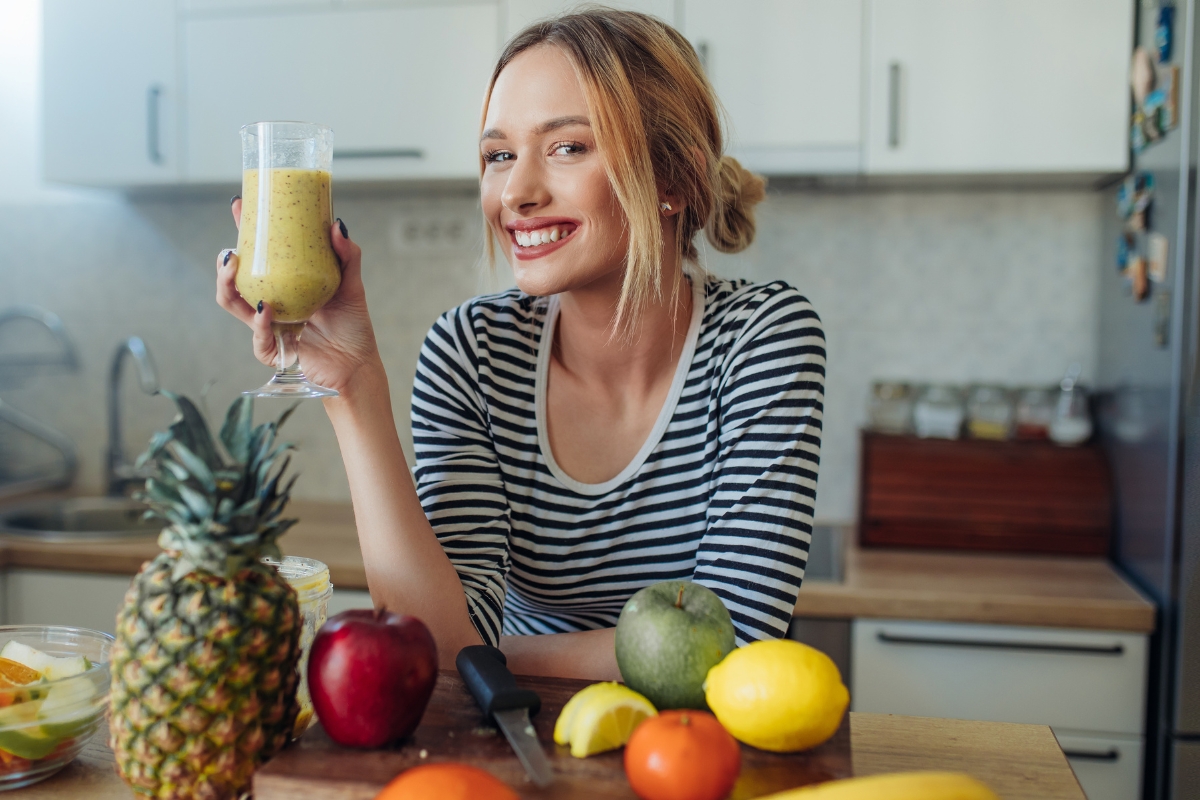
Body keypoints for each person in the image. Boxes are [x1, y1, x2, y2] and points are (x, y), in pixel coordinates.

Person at [216, 7, 825, 680]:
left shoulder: (761, 339)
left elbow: (734, 648)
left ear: (671, 179)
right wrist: (352, 384)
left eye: (567, 147)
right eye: (499, 156)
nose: (516, 192)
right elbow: (430, 637)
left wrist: (479, 653)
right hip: (517, 738)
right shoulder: (474, 352)